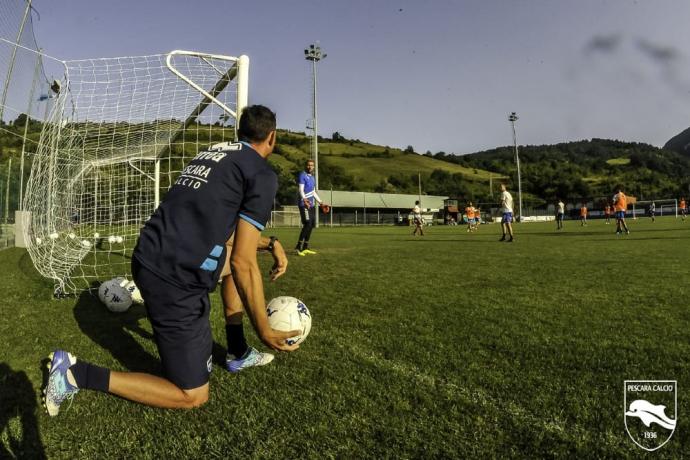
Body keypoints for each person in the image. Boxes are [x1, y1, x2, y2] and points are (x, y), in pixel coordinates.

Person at [43, 105, 299, 416]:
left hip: (149, 254)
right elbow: (244, 263)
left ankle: (237, 350)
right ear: (272, 137)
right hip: (172, 278)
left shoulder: (213, 154)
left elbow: (226, 239)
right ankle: (74, 373)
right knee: (191, 394)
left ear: (240, 133)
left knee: (229, 262)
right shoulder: (260, 173)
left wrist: (270, 243)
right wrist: (265, 330)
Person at [295, 159, 326, 256]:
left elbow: (313, 192)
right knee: (307, 223)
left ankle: (305, 247)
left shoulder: (312, 178)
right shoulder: (302, 175)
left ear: (314, 167)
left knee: (311, 224)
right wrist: (304, 199)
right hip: (304, 204)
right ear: (306, 166)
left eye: (312, 165)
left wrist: (321, 202)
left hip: (311, 205)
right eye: (308, 165)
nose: (310, 167)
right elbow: (301, 190)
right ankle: (298, 246)